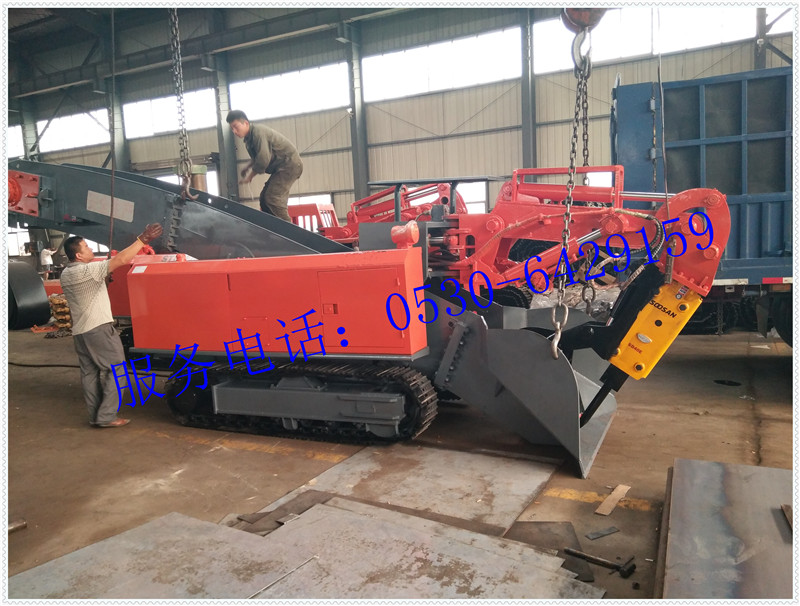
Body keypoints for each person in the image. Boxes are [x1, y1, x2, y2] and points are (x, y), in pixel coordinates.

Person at [61, 224, 163, 428]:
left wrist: (104, 281)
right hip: (98, 328)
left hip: (80, 331)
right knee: (117, 370)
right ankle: (107, 416)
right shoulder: (89, 270)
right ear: (78, 256)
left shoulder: (66, 274)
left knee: (89, 373)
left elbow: (89, 292)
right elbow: (122, 259)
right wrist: (143, 239)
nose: (90, 248)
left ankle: (96, 416)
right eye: (86, 247)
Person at [226, 109, 303, 221]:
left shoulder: (258, 133)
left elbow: (263, 160)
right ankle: (272, 228)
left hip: (289, 165)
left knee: (272, 198)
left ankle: (288, 229)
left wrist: (250, 177)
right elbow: (257, 157)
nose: (234, 131)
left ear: (246, 123)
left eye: (236, 127)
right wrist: (247, 168)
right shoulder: (249, 139)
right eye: (232, 129)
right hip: (282, 167)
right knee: (264, 199)